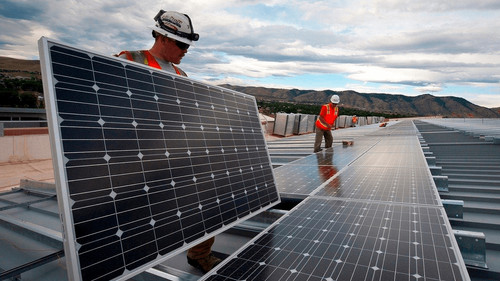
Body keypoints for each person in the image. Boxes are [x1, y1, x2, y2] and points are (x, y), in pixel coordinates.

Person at [116, 10, 221, 273]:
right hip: (136, 156)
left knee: (208, 196)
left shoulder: (181, 75)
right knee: (135, 217)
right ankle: (124, 264)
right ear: (163, 37)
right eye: (182, 44)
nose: (186, 50)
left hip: (171, 153)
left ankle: (199, 254)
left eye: (188, 45)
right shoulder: (129, 60)